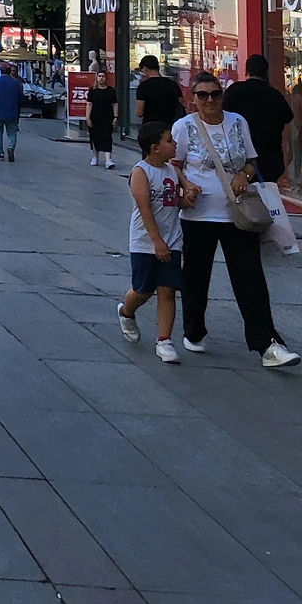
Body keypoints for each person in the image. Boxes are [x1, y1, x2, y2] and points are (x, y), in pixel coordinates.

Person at [172, 71, 300, 370]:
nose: (210, 100)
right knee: (196, 276)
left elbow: (252, 161)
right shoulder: (184, 126)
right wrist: (186, 185)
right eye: (202, 95)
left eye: (215, 94)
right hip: (199, 214)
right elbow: (174, 164)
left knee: (250, 278)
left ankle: (267, 344)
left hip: (239, 213)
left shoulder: (238, 122)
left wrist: (244, 174)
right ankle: (193, 330)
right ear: (193, 97)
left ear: (222, 95)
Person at [117, 121, 185, 363]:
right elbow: (145, 208)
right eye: (169, 140)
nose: (174, 144)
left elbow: (175, 200)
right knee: (143, 290)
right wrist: (157, 241)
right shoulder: (141, 172)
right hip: (145, 242)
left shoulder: (173, 171)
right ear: (155, 147)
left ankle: (164, 340)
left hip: (172, 239)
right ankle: (127, 311)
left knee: (167, 290)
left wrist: (188, 197)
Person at [223, 55, 295, 188]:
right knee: (266, 195)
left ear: (247, 71)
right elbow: (288, 117)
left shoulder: (234, 91)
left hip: (239, 158)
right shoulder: (274, 95)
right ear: (266, 72)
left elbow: (220, 116)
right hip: (270, 158)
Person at [136, 55, 185, 126]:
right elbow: (180, 103)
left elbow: (139, 112)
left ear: (145, 69)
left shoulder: (143, 87)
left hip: (150, 126)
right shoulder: (172, 84)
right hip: (171, 125)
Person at [0, 60, 23, 161]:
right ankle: (10, 147)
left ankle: (0, 152)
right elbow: (21, 98)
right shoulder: (16, 83)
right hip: (12, 111)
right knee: (12, 132)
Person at [87, 68, 118, 168]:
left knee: (107, 137)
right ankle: (95, 157)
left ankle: (108, 160)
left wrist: (115, 116)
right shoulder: (92, 90)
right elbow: (89, 104)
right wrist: (87, 117)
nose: (101, 78)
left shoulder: (111, 91)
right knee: (94, 137)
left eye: (103, 76)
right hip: (95, 117)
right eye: (99, 76)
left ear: (106, 78)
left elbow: (115, 104)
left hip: (107, 117)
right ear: (96, 78)